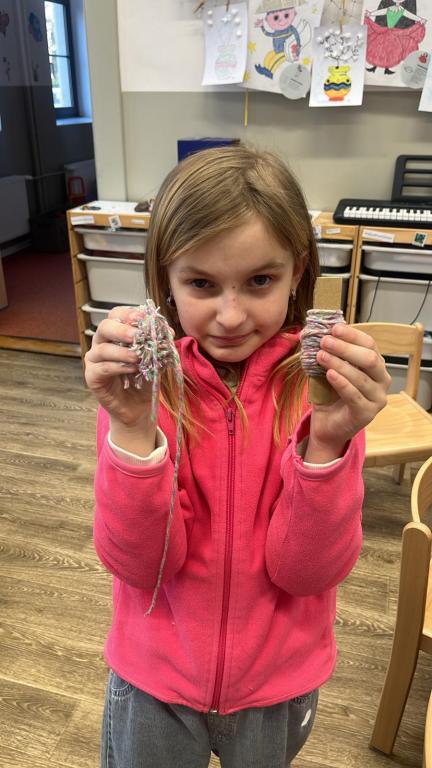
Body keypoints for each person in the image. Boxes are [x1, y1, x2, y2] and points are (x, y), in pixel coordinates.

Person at [85, 145, 391, 768]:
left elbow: (307, 573)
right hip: (155, 678)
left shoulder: (319, 397)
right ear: (165, 280)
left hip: (276, 685)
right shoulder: (144, 392)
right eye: (201, 283)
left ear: (297, 271)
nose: (229, 316)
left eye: (259, 281)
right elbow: (138, 564)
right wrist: (132, 430)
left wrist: (326, 446)